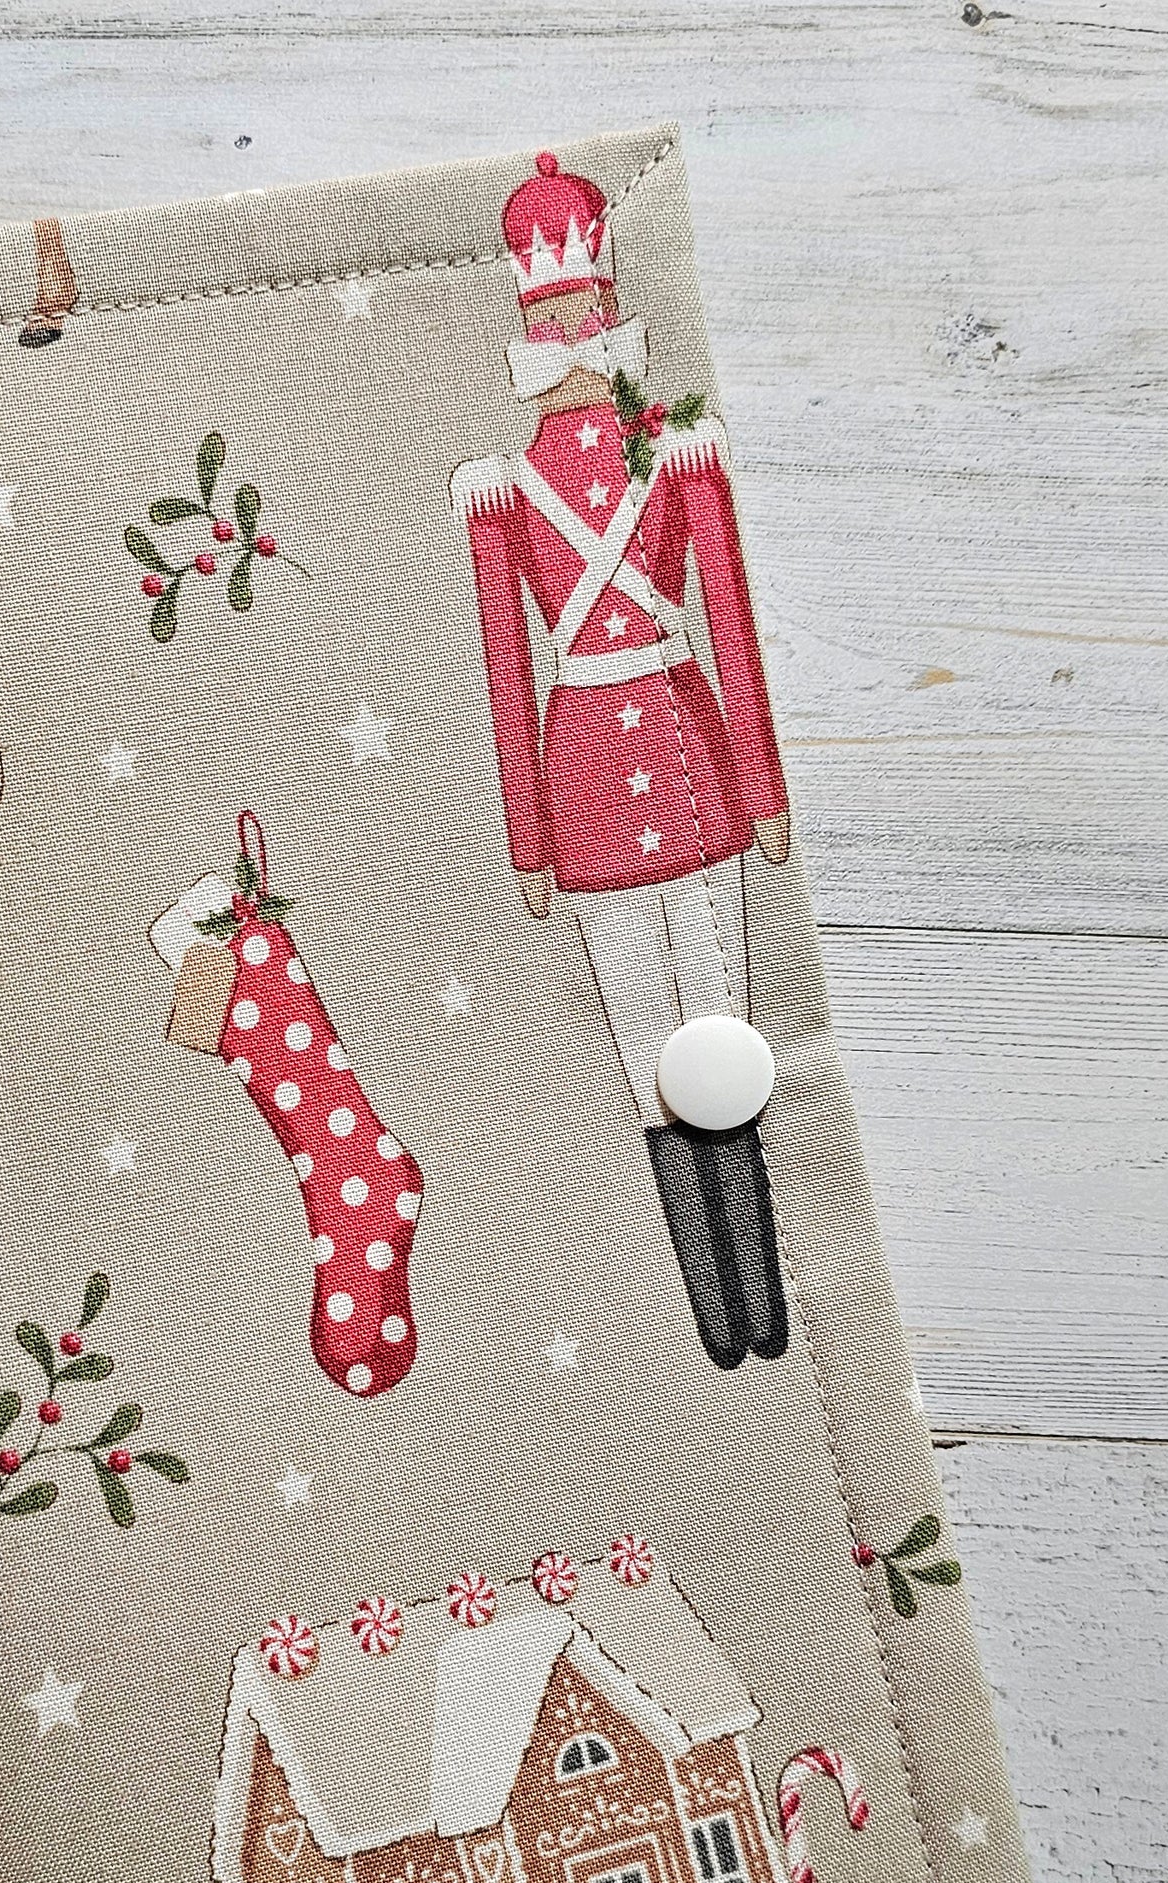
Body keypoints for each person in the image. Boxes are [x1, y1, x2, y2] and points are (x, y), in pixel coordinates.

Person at [452, 152, 794, 1369]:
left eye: (575, 310)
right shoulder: (497, 489)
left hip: (684, 752)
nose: (565, 333)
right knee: (649, 1053)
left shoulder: (676, 447)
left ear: (600, 305)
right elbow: (504, 668)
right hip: (587, 775)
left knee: (720, 1038)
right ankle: (719, 1319)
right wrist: (527, 841)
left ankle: (765, 1306)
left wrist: (760, 789)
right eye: (548, 314)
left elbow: (730, 622)